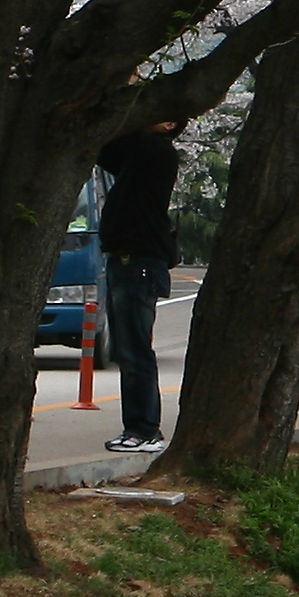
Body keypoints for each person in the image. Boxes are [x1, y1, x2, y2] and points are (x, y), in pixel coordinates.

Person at [94, 120, 186, 453]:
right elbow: (104, 148)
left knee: (135, 351)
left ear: (169, 123)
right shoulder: (137, 157)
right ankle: (138, 427)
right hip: (126, 262)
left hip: (139, 264)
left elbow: (121, 133)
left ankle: (144, 430)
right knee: (127, 350)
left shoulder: (155, 151)